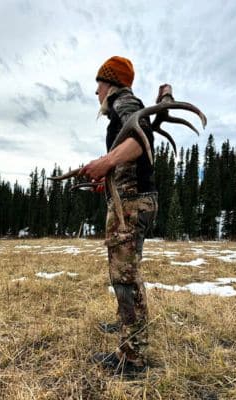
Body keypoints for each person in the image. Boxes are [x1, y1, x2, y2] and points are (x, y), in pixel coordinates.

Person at [80, 56, 159, 375]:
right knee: (126, 274)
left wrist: (108, 162)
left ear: (109, 82)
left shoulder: (124, 101)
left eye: (98, 84)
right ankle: (127, 330)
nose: (96, 92)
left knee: (124, 279)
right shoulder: (121, 106)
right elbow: (131, 151)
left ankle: (133, 358)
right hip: (130, 198)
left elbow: (142, 139)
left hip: (131, 204)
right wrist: (107, 175)